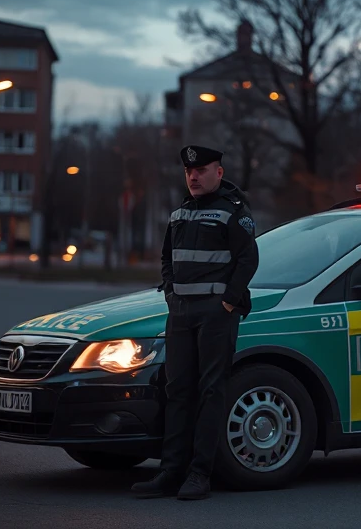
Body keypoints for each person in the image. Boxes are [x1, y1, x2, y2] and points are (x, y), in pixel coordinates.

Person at [131, 145, 259, 501]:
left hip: (215, 314)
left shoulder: (233, 212)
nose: (193, 176)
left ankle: (200, 473)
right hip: (182, 313)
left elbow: (248, 259)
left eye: (201, 170)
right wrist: (171, 292)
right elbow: (166, 258)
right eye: (189, 171)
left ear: (218, 172)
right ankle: (171, 472)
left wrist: (229, 302)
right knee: (178, 391)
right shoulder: (181, 214)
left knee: (210, 391)